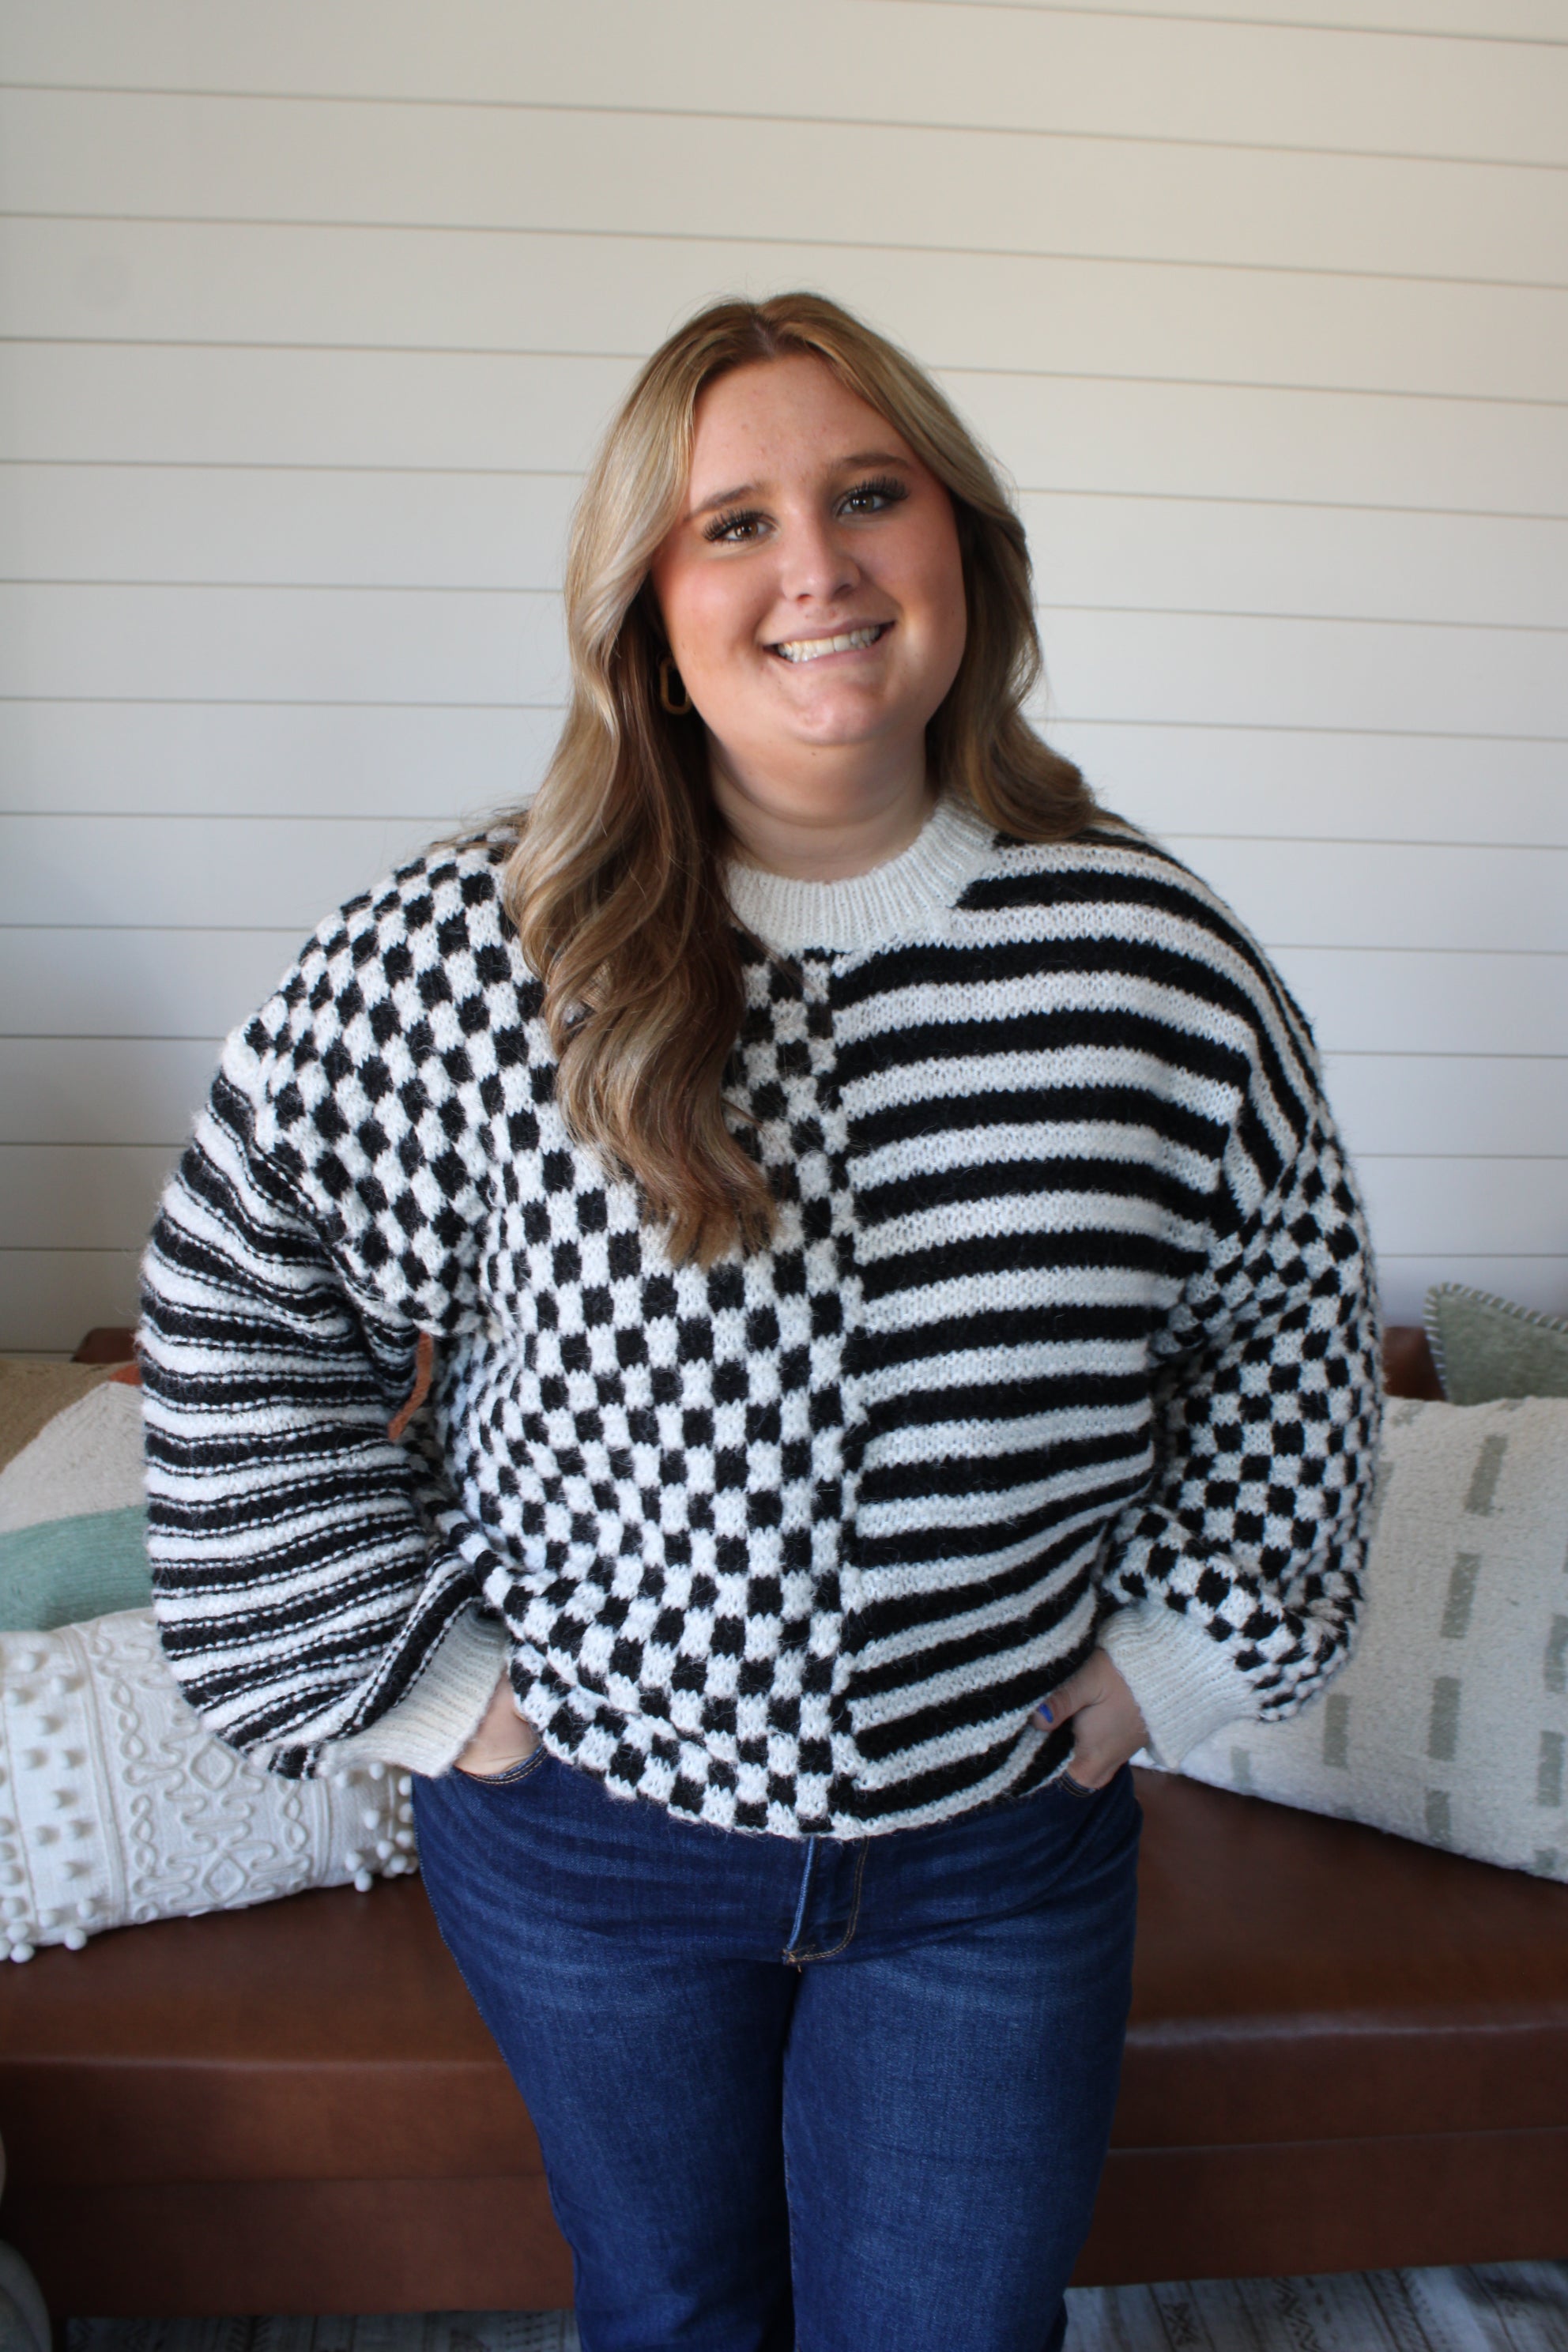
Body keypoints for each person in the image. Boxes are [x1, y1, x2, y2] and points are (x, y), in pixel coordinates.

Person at [140, 292, 1381, 2352]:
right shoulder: (478, 949)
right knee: (673, 2313)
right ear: (646, 601)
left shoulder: (1150, 955)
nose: (816, 566)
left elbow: (1284, 1316)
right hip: (588, 1851)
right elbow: (241, 1307)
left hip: (997, 1852)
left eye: (869, 496)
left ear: (962, 541)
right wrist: (435, 1691)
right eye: (733, 523)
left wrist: (1176, 1653)